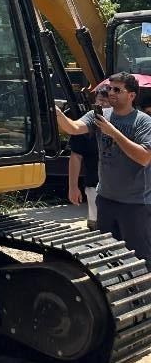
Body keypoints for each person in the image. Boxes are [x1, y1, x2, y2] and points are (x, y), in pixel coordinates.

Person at [56, 72, 151, 264]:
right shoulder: (98, 115)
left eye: (117, 89)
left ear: (131, 95)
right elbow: (73, 128)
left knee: (139, 257)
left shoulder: (144, 122)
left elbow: (144, 158)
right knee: (108, 254)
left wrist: (113, 133)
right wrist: (55, 111)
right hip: (106, 199)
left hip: (135, 204)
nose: (111, 93)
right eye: (109, 88)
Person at [67, 86, 108, 230]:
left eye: (107, 102)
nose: (103, 105)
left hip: (123, 188)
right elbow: (76, 156)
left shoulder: (127, 122)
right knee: (97, 226)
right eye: (100, 101)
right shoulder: (87, 123)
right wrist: (73, 187)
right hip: (94, 184)